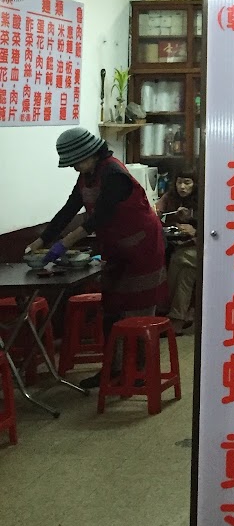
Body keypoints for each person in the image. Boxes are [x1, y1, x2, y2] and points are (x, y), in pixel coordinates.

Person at [27, 127, 167, 389]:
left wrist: (62, 245)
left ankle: (138, 372)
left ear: (90, 154)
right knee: (112, 309)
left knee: (137, 310)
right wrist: (41, 241)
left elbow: (98, 217)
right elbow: (69, 209)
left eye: (76, 162)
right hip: (116, 249)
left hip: (142, 248)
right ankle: (112, 369)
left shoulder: (114, 173)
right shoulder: (86, 176)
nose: (74, 168)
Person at [157, 169, 200, 333]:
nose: (182, 187)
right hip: (176, 247)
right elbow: (157, 212)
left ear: (195, 184)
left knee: (182, 259)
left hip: (200, 247)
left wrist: (194, 229)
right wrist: (159, 214)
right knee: (185, 270)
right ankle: (179, 317)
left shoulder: (203, 199)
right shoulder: (170, 197)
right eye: (179, 182)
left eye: (187, 183)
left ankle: (172, 315)